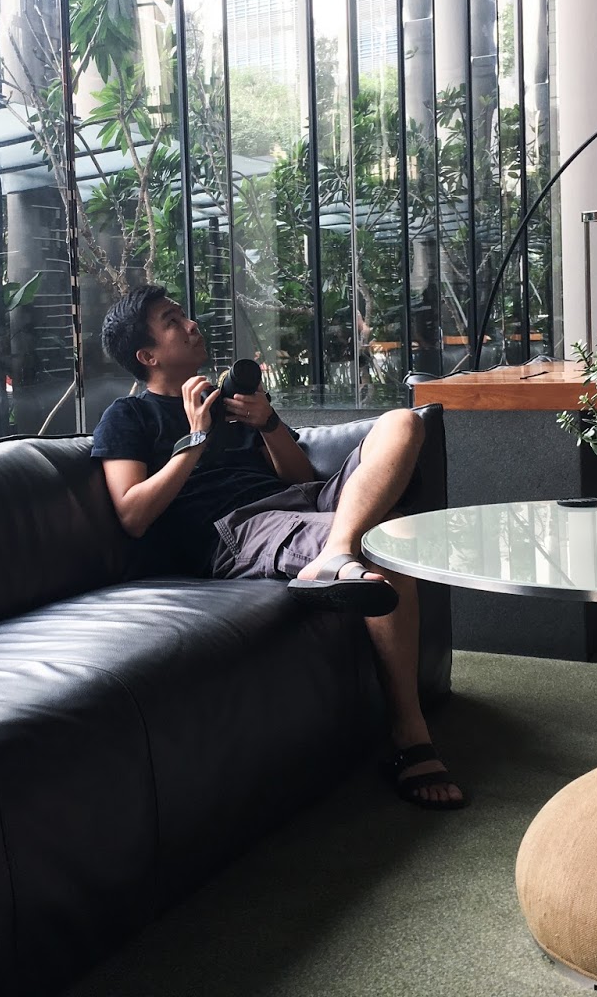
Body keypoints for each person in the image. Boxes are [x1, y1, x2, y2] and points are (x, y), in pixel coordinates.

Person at [92, 285, 465, 811]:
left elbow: (299, 476)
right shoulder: (129, 417)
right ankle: (410, 735)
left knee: (403, 422)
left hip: (303, 503)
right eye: (172, 321)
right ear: (147, 356)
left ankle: (335, 552)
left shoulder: (228, 401)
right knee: (386, 542)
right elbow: (132, 514)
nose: (192, 324)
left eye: (184, 316)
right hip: (240, 529)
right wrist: (194, 439)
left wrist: (267, 423)